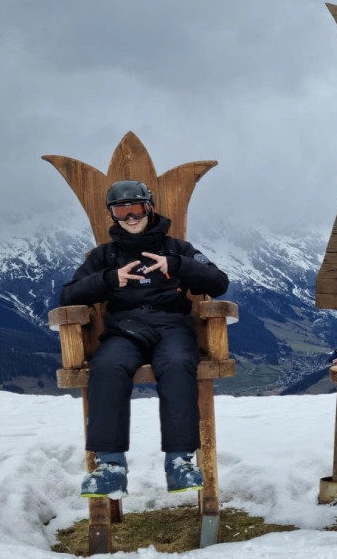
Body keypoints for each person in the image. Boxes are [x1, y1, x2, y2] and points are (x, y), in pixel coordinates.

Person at [59, 180, 229, 497]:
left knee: (178, 364)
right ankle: (110, 468)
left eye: (135, 208)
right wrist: (109, 279)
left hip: (172, 325)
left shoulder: (178, 249)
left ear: (148, 208)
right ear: (112, 215)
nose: (129, 217)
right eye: (120, 210)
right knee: (107, 366)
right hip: (125, 328)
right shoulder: (104, 256)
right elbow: (67, 295)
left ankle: (179, 462)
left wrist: (178, 265)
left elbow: (219, 282)